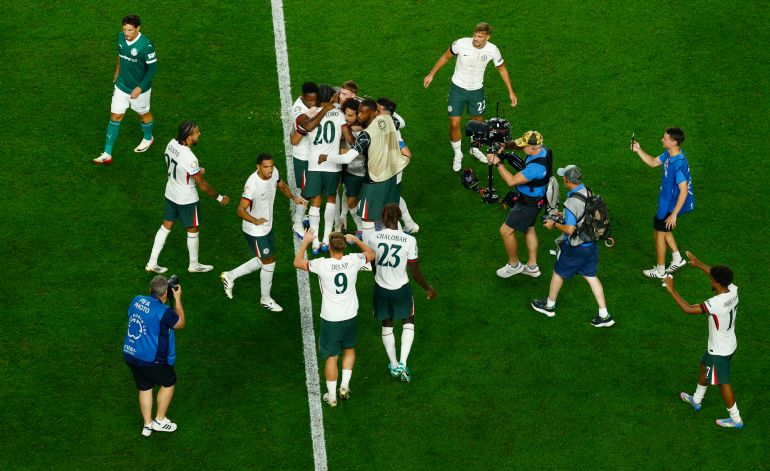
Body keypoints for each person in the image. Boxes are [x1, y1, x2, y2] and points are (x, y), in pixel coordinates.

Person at [294, 229, 375, 407]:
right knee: (349, 349)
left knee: (331, 356)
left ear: (329, 248)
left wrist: (305, 242)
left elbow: (297, 262)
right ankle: (344, 386)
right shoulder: (353, 260)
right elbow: (371, 254)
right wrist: (356, 240)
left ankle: (331, 397)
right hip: (350, 314)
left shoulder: (322, 264)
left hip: (331, 318)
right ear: (344, 246)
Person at [663, 252, 743, 429]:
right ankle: (697, 399)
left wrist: (672, 290)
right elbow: (716, 275)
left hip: (719, 351)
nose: (710, 280)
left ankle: (736, 419)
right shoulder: (733, 290)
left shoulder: (717, 303)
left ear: (718, 283)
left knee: (723, 383)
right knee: (703, 366)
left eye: (712, 279)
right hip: (728, 343)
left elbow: (688, 309)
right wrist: (698, 264)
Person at [423, 22, 518, 172]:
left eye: (480, 36)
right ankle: (458, 154)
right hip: (457, 89)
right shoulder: (461, 44)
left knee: (477, 123)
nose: (476, 38)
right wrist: (431, 74)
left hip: (476, 91)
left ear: (487, 37)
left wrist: (510, 91)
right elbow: (446, 56)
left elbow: (502, 69)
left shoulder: (493, 50)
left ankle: (474, 149)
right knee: (454, 123)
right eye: (475, 35)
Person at [220, 153, 307, 311]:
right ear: (258, 167)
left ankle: (229, 276)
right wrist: (254, 220)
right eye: (266, 167)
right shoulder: (252, 185)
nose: (270, 170)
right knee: (269, 261)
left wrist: (294, 197)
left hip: (267, 226)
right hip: (255, 230)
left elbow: (281, 185)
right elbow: (240, 210)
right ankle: (265, 299)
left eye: (271, 166)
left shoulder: (274, 173)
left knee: (265, 259)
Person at [530, 165, 614, 327]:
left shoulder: (571, 201)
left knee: (558, 272)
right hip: (591, 245)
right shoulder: (587, 191)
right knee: (591, 276)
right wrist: (563, 214)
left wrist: (554, 224)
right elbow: (584, 214)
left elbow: (570, 229)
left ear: (568, 180)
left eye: (563, 177)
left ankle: (549, 306)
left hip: (577, 247)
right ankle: (604, 315)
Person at [321, 99, 410, 246]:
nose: (359, 116)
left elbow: (347, 158)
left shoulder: (365, 135)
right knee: (390, 216)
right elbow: (401, 122)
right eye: (359, 112)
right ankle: (399, 247)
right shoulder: (388, 120)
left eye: (363, 113)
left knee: (367, 219)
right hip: (393, 177)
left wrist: (326, 157)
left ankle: (371, 253)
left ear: (374, 113)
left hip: (376, 180)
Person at [145, 121, 230, 274]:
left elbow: (177, 165)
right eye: (197, 132)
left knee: (165, 227)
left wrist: (196, 170)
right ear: (189, 137)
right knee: (193, 229)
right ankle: (194, 264)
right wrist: (220, 198)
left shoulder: (171, 144)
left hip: (171, 193)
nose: (199, 134)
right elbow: (202, 184)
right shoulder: (190, 157)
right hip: (186, 199)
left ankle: (151, 262)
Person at [372, 204, 436, 382]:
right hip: (401, 288)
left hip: (381, 288)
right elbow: (415, 272)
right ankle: (403, 362)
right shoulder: (409, 241)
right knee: (408, 321)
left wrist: (377, 276)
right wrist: (428, 288)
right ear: (399, 218)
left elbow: (372, 262)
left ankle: (393, 365)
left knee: (387, 323)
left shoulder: (374, 237)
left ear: (383, 218)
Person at [123, 275, 185, 436]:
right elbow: (180, 323)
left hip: (131, 354)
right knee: (168, 383)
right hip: (151, 360)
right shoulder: (164, 312)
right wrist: (177, 299)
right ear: (166, 293)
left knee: (145, 387)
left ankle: (147, 425)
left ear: (150, 289)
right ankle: (159, 421)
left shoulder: (136, 300)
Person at [631, 128, 694, 279]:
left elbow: (684, 191)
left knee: (659, 233)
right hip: (666, 202)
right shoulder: (670, 153)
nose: (662, 140)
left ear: (673, 142)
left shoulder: (678, 164)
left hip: (670, 206)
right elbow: (653, 162)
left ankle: (660, 271)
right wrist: (639, 150)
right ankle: (677, 259)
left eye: (665, 138)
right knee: (664, 229)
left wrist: (674, 215)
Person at [94, 15, 157, 165]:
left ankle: (148, 138)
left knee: (144, 114)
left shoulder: (146, 46)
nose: (126, 33)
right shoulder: (120, 37)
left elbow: (152, 69)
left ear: (138, 28)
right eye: (124, 29)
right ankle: (107, 153)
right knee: (115, 116)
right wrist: (117, 71)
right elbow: (121, 55)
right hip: (121, 86)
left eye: (130, 30)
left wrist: (140, 87)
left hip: (139, 90)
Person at [486, 130, 548, 279]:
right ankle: (532, 267)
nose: (521, 148)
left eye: (524, 146)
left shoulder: (536, 168)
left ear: (533, 148)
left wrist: (498, 162)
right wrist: (505, 145)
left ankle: (514, 265)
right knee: (529, 228)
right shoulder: (543, 151)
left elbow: (511, 181)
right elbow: (518, 145)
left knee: (505, 231)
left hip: (528, 204)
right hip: (536, 199)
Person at [305, 85, 345, 254]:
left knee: (315, 200)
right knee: (331, 198)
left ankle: (314, 241)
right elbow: (343, 136)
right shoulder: (340, 115)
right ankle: (326, 238)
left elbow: (307, 127)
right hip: (333, 164)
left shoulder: (310, 113)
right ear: (331, 98)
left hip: (315, 164)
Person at [375, 97, 419, 234]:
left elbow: (406, 152)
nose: (375, 112)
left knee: (387, 200)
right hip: (386, 168)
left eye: (378, 110)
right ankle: (410, 224)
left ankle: (394, 232)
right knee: (393, 197)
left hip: (391, 169)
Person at [289, 82, 320, 238]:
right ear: (302, 97)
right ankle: (297, 223)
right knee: (307, 191)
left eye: (315, 100)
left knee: (311, 189)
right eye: (310, 100)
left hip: (312, 155)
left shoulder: (312, 104)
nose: (313, 103)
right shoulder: (298, 109)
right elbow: (306, 127)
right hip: (303, 156)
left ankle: (302, 215)